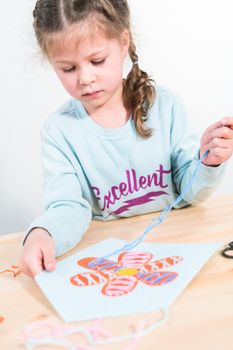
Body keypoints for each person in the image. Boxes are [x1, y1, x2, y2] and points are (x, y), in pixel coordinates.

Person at [19, 0, 233, 277]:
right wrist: (43, 233)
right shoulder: (59, 132)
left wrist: (209, 162)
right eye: (68, 68)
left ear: (123, 43)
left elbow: (189, 192)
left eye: (97, 61)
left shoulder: (166, 107)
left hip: (179, 249)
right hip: (110, 264)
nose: (85, 78)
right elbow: (68, 206)